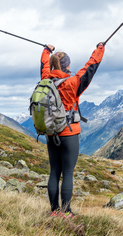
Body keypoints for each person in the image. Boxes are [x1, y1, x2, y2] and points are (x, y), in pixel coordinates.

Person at [40, 42, 105, 218]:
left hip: (51, 132)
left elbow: (44, 66)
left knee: (54, 171)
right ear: (67, 65)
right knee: (67, 173)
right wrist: (99, 49)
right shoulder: (72, 82)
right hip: (69, 133)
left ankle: (54, 211)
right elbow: (90, 67)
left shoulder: (46, 80)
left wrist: (46, 51)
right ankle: (66, 212)